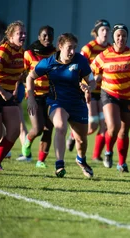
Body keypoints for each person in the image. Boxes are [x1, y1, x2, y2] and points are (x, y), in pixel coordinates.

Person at [25, 33, 96, 178]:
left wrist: (89, 88)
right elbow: (30, 77)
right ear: (60, 46)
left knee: (81, 140)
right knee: (60, 127)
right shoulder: (49, 62)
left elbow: (92, 81)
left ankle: (81, 159)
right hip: (56, 103)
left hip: (77, 104)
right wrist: (31, 97)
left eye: (74, 48)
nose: (72, 52)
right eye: (69, 48)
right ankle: (59, 165)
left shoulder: (80, 60)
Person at [91, 23, 130, 172]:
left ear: (127, 38)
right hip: (109, 94)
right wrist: (90, 82)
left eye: (124, 36)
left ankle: (122, 163)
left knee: (124, 131)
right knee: (113, 128)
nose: (121, 38)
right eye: (118, 35)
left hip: (127, 97)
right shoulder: (105, 55)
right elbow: (90, 70)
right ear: (113, 37)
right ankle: (108, 152)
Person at [67, 19, 111, 163]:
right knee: (92, 126)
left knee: (105, 126)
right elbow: (78, 67)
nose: (105, 32)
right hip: (89, 90)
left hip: (106, 92)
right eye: (102, 30)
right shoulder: (88, 48)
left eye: (107, 30)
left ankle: (96, 156)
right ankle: (73, 135)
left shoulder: (111, 49)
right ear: (96, 32)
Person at [16, 25, 56, 167]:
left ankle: (40, 161)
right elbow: (22, 74)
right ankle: (28, 140)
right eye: (44, 35)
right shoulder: (29, 53)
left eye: (50, 35)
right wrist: (24, 87)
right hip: (35, 95)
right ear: (39, 37)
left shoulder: (55, 53)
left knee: (49, 129)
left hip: (52, 95)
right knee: (38, 128)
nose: (47, 38)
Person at [0, 20, 26, 170]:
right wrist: (2, 92)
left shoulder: (20, 51)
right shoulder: (3, 51)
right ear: (10, 36)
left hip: (8, 94)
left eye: (24, 33)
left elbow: (20, 74)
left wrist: (17, 88)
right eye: (20, 33)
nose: (23, 36)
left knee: (14, 130)